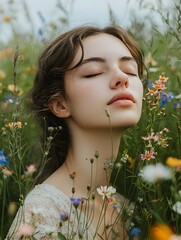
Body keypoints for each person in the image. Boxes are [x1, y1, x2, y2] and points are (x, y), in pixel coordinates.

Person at [5, 24, 144, 240]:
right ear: (60, 104)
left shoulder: (128, 210)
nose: (122, 78)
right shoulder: (41, 217)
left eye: (130, 71)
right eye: (93, 73)